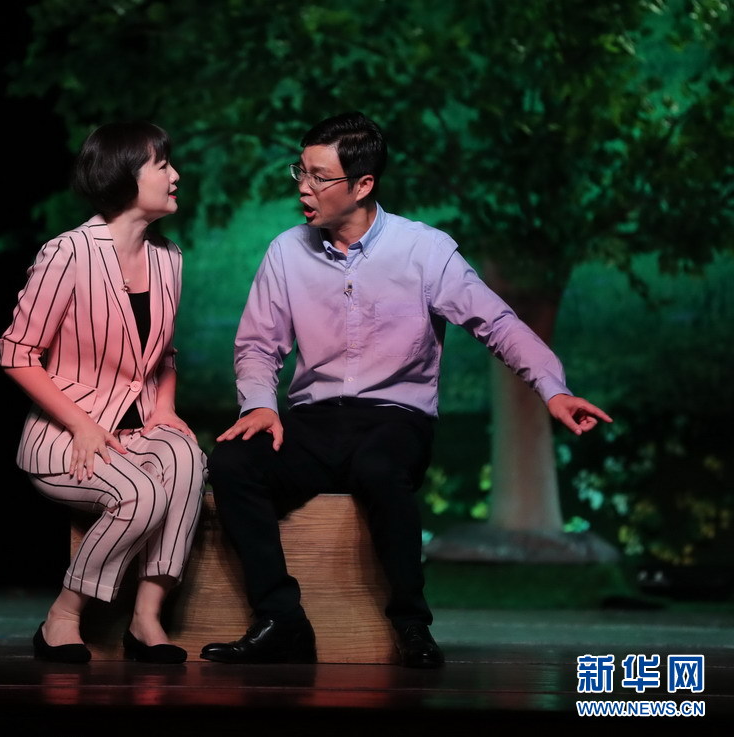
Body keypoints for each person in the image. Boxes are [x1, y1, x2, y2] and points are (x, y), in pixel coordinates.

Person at [201, 111, 612, 669]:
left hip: (395, 417)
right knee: (232, 463)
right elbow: (257, 345)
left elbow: (497, 323)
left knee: (379, 468)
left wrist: (552, 388)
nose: (303, 187)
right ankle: (281, 619)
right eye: (301, 171)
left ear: (362, 184)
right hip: (314, 420)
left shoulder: (425, 250)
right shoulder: (286, 252)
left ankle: (411, 623)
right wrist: (259, 405)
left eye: (319, 176)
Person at [0, 121, 206, 665]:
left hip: (132, 430)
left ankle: (146, 618)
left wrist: (164, 408)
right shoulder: (68, 253)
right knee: (141, 494)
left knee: (187, 458)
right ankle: (63, 616)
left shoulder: (169, 258)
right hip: (66, 436)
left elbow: (162, 354)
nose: (175, 175)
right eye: (162, 165)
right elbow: (16, 353)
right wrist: (81, 424)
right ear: (124, 176)